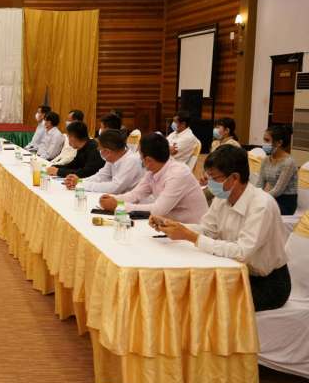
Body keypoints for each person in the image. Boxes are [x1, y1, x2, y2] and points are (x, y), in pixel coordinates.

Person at [150, 145, 290, 312]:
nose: (209, 183)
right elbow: (208, 231)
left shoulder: (261, 205)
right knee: (186, 291)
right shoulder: (223, 197)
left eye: (214, 178)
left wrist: (191, 237)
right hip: (234, 272)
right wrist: (174, 226)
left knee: (205, 303)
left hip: (267, 283)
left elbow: (242, 252)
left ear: (234, 178)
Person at [99, 132, 207, 223]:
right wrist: (113, 199)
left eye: (140, 155)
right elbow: (135, 195)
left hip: (192, 229)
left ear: (148, 160)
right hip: (170, 225)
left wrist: (119, 206)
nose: (140, 159)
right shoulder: (153, 170)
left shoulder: (178, 174)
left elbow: (158, 210)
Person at [65, 129, 144, 194]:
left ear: (107, 151)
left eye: (100, 149)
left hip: (133, 203)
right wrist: (79, 181)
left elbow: (115, 187)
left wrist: (81, 184)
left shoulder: (131, 161)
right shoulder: (112, 158)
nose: (99, 151)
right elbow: (101, 176)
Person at [256, 125, 298, 215]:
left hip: (285, 203)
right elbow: (259, 184)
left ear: (279, 143)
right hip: (270, 198)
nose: (264, 143)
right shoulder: (266, 160)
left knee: (258, 209)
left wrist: (260, 199)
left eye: (267, 140)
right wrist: (254, 196)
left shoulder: (289, 162)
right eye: (264, 140)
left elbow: (278, 190)